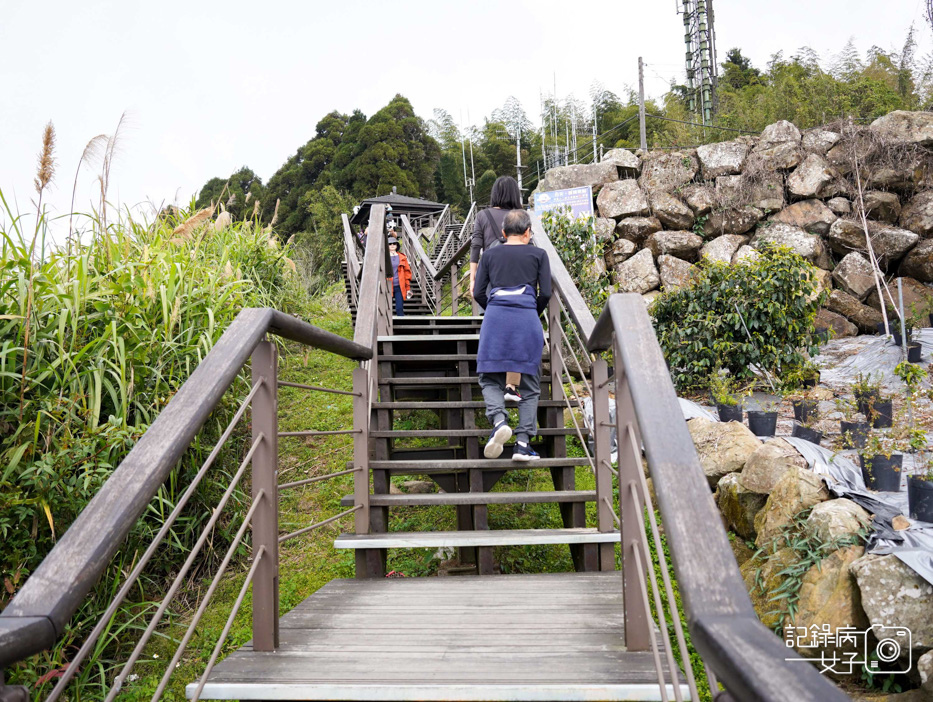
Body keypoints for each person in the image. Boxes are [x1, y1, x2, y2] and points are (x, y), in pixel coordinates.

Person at [473, 209, 551, 461]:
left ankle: (498, 421)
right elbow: (546, 293)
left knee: (488, 377)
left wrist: (495, 308)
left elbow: (478, 292)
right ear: (528, 232)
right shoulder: (539, 254)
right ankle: (522, 443)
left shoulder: (491, 254)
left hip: (495, 318)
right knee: (529, 385)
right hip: (526, 318)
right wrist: (530, 311)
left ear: (504, 233)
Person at [469, 175, 523, 299]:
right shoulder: (522, 216)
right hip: (518, 272)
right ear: (515, 193)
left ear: (494, 194)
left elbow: (475, 246)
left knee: (491, 310)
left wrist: (473, 279)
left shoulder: (483, 215)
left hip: (491, 273)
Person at [387, 236, 412, 317]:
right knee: (386, 308)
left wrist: (408, 288)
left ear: (397, 245)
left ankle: (402, 327)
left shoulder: (402, 257)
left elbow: (407, 272)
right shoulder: (383, 257)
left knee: (399, 308)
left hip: (399, 286)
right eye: (390, 244)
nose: (392, 245)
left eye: (394, 243)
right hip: (387, 286)